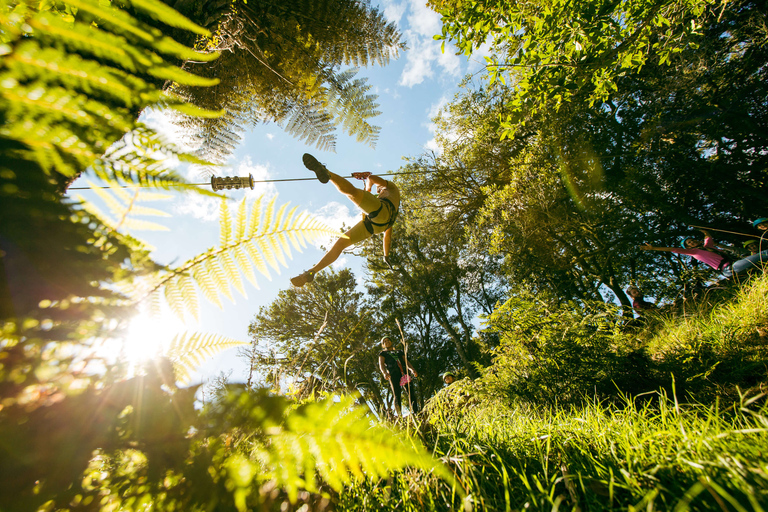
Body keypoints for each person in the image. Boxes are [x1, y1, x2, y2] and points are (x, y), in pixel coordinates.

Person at [291, 154, 400, 287]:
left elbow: (371, 178)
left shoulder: (392, 188)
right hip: (374, 226)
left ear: (383, 186)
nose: (379, 191)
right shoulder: (392, 206)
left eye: (380, 188)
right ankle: (311, 272)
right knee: (339, 244)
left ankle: (327, 172)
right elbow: (387, 238)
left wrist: (368, 185)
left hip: (379, 216)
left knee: (352, 193)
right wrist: (386, 256)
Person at [640, 231, 767, 278]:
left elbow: (708, 237)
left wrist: (704, 231)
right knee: (764, 254)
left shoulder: (707, 247)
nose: (692, 242)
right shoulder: (694, 252)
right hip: (730, 269)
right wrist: (653, 248)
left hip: (735, 264)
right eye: (689, 243)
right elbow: (673, 249)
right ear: (688, 247)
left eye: (692, 240)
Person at [378, 337, 418, 417]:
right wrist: (385, 373)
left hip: (404, 373)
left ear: (391, 341)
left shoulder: (399, 351)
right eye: (384, 341)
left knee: (410, 392)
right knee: (397, 394)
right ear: (383, 345)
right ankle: (400, 416)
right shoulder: (383, 353)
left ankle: (416, 412)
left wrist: (412, 369)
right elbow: (381, 365)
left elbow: (406, 361)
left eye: (388, 340)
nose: (387, 342)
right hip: (393, 374)